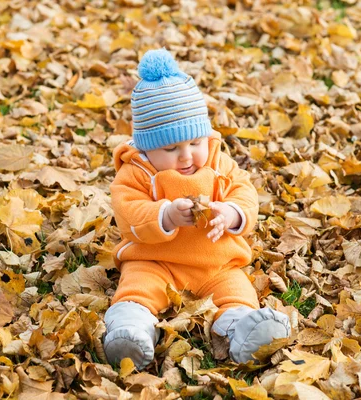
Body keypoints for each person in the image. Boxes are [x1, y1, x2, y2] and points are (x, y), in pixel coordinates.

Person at [103, 49, 290, 369]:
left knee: (236, 293)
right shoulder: (135, 173)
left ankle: (241, 329)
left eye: (194, 143)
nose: (187, 156)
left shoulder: (219, 163)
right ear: (146, 146)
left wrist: (232, 213)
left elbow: (244, 192)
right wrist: (165, 215)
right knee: (136, 289)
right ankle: (131, 328)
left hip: (216, 264)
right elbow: (128, 214)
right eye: (172, 148)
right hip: (155, 261)